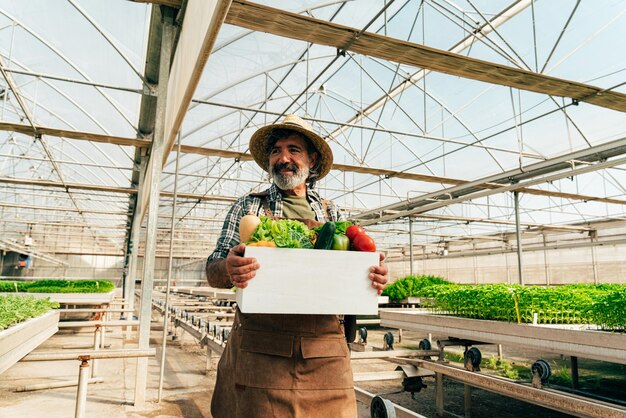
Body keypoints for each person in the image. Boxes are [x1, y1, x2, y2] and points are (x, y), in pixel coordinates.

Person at [206, 114, 389, 417]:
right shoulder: (248, 207)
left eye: (294, 149)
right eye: (276, 151)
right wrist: (229, 267)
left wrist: (373, 275)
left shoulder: (333, 213)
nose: (283, 158)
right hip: (260, 353)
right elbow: (213, 270)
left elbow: (353, 270)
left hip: (324, 354)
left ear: (312, 160)